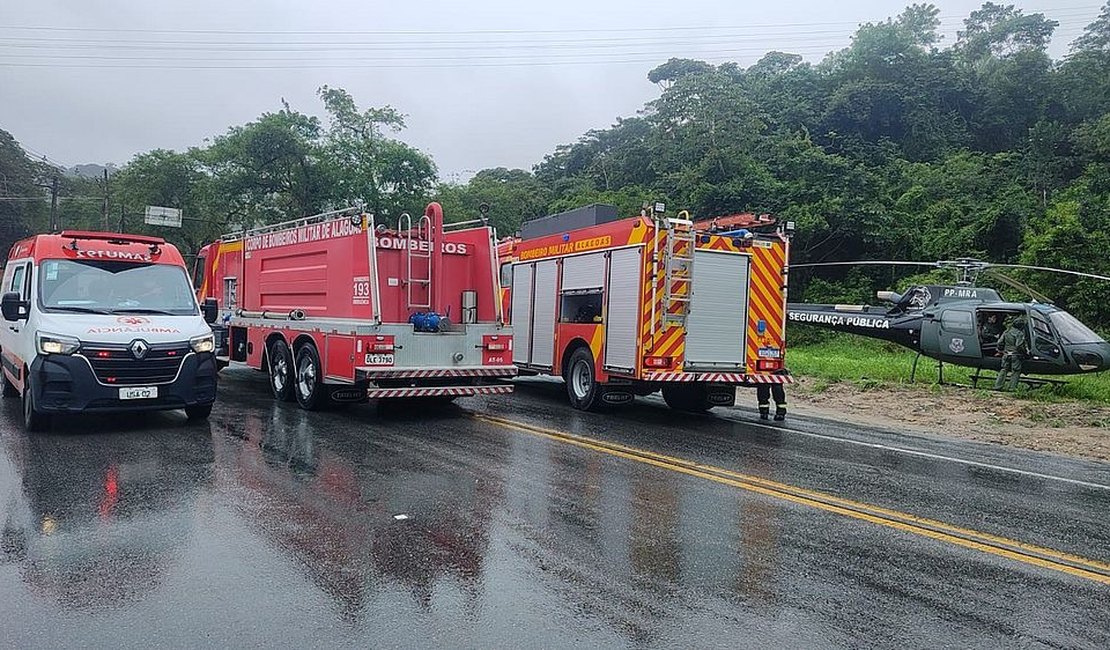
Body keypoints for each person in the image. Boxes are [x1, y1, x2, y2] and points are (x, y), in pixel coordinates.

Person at [994, 317, 1028, 391]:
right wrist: (1025, 353)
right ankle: (1012, 388)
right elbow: (1019, 345)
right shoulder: (1019, 334)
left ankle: (998, 386)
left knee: (1003, 370)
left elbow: (999, 342)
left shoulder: (1007, 332)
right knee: (1015, 371)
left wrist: (1001, 350)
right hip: (1016, 355)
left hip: (1006, 354)